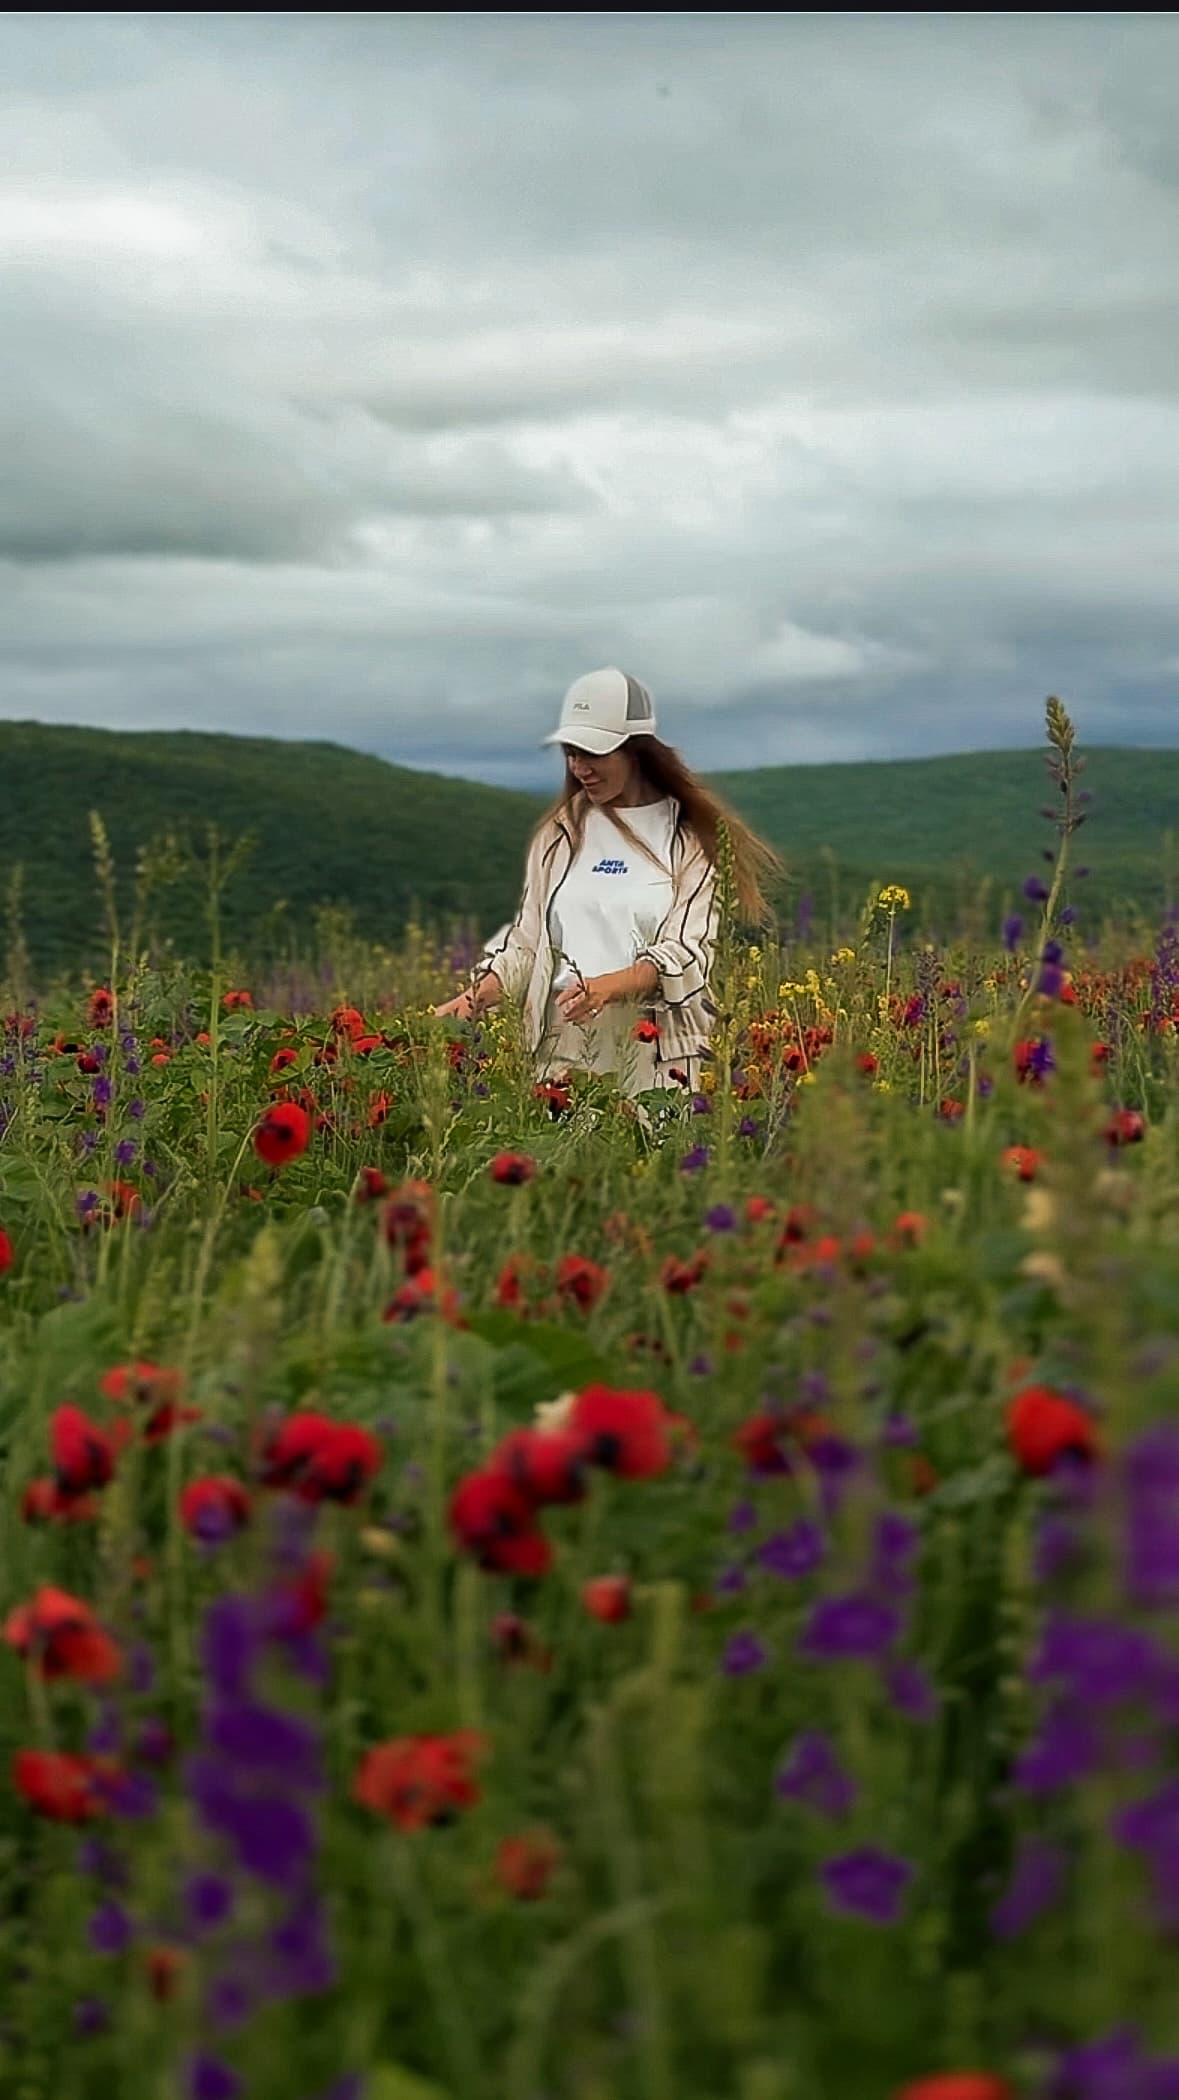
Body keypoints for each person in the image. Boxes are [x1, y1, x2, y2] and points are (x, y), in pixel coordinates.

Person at [433, 667, 779, 1094]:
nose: (580, 768)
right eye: (571, 753)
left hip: (653, 1055)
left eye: (594, 753)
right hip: (557, 1050)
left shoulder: (688, 839)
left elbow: (686, 953)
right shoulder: (561, 834)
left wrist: (606, 989)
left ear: (636, 751)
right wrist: (471, 1001)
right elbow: (527, 943)